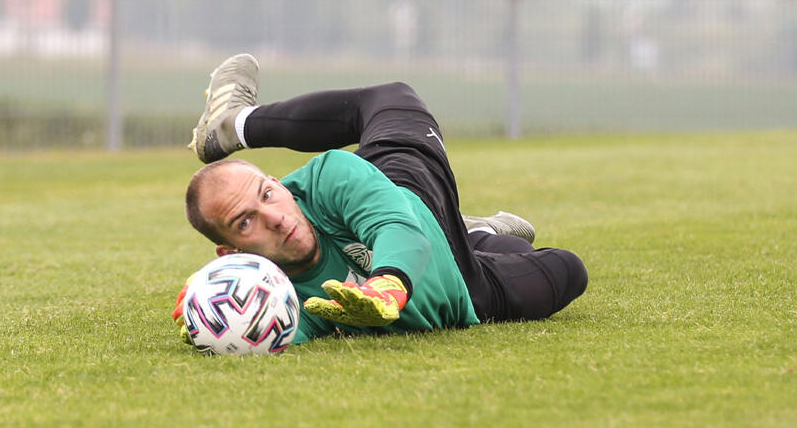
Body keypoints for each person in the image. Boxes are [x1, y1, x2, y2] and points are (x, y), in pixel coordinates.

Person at [172, 54, 588, 345]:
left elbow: (397, 227)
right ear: (230, 253)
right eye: (246, 222)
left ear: (279, 184)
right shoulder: (273, 292)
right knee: (564, 267)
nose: (276, 218)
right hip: (464, 284)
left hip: (411, 199)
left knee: (392, 97)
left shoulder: (329, 176)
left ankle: (236, 122)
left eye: (268, 195)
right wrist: (212, 314)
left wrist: (388, 282)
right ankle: (472, 233)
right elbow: (269, 333)